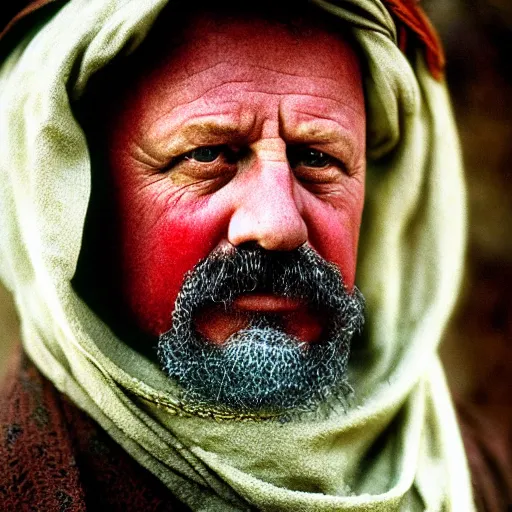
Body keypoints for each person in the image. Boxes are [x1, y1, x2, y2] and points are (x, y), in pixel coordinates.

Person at [0, 0, 480, 510]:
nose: (277, 226)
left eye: (317, 159)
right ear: (73, 198)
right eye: (207, 155)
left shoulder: (474, 471)